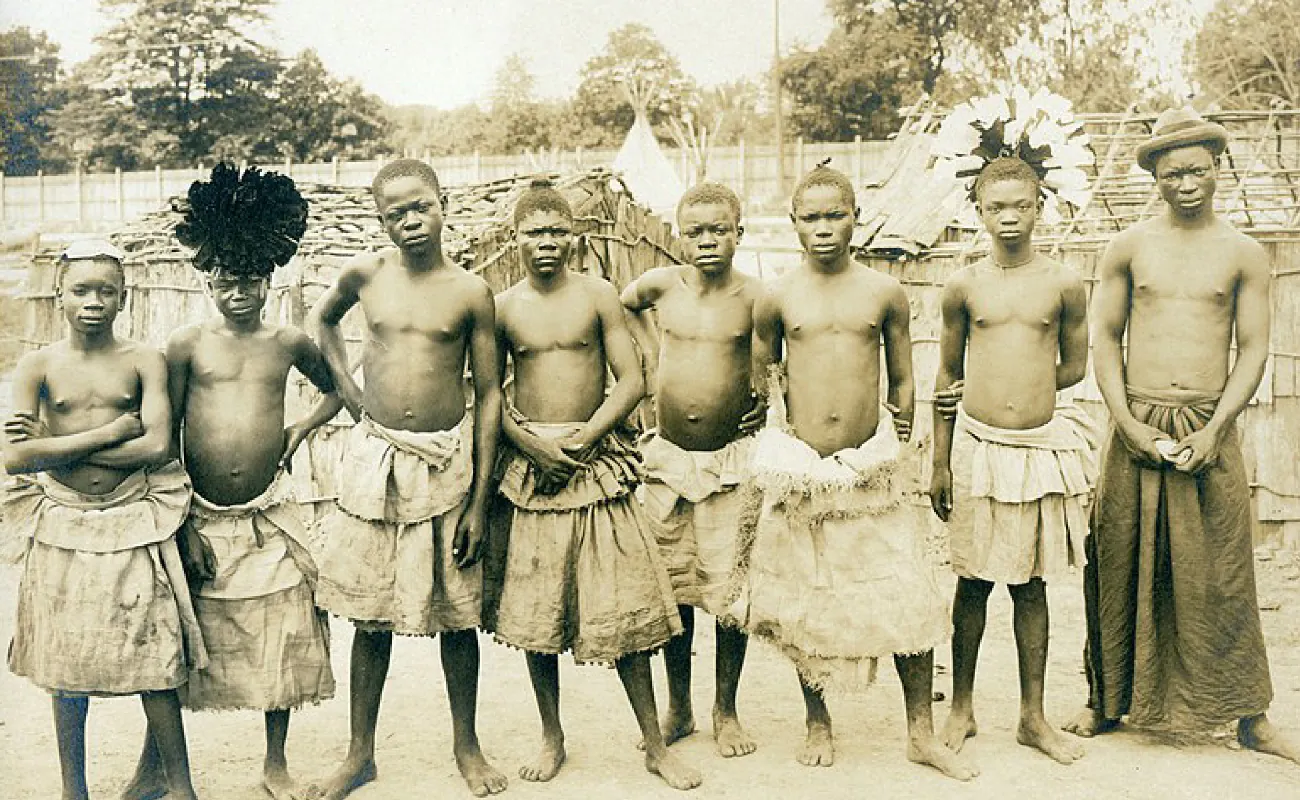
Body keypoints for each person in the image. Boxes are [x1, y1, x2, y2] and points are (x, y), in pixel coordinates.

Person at [1063, 107, 1299, 763]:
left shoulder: (1244, 253)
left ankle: (1251, 716)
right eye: (1172, 175)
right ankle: (1104, 700)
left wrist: (1217, 428)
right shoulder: (1128, 247)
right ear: (1155, 178)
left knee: (1223, 570)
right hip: (1137, 422)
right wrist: (1127, 423)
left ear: (1218, 167)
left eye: (1197, 170)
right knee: (1117, 559)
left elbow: (1254, 349)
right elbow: (1105, 339)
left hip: (1208, 426)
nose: (1186, 184)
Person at [737, 163, 976, 780]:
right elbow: (764, 376)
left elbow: (903, 378)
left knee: (905, 594)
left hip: (872, 466)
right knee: (808, 600)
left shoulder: (883, 292)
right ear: (793, 223)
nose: (823, 229)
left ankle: (920, 732)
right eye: (811, 218)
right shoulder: (777, 297)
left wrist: (900, 438)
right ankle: (817, 720)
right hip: (804, 471)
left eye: (835, 216)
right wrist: (780, 436)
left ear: (856, 219)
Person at [123, 164, 340, 800]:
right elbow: (166, 433)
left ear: (269, 279)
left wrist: (300, 428)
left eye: (249, 279)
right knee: (174, 634)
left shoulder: (288, 341)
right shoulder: (187, 345)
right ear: (207, 279)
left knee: (283, 629)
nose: (237, 292)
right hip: (198, 512)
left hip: (268, 511)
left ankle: (275, 764)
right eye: (225, 280)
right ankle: (157, 767)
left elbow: (336, 391)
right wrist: (179, 518)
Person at [485, 178, 700, 790]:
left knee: (624, 606)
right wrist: (533, 445)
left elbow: (631, 379)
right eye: (535, 232)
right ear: (516, 238)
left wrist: (584, 439)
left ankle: (654, 744)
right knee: (537, 614)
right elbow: (489, 394)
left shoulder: (599, 294)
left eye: (557, 231)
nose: (546, 242)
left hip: (595, 463)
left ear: (574, 236)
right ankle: (551, 736)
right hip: (534, 473)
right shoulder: (503, 307)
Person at [308, 158, 507, 798]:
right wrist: (347, 389)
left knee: (457, 617)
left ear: (442, 204)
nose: (411, 221)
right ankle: (359, 754)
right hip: (378, 465)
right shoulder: (366, 275)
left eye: (421, 207)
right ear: (382, 221)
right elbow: (322, 320)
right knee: (371, 618)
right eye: (396, 214)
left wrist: (478, 502)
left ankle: (467, 746)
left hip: (446, 465)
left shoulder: (471, 292)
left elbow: (491, 394)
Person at [2, 240, 205, 800]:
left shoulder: (143, 360)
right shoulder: (38, 365)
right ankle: (76, 791)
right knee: (65, 661)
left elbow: (157, 446)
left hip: (132, 519)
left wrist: (55, 446)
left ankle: (179, 788)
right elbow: (15, 457)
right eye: (81, 291)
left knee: (155, 653)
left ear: (124, 298)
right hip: (63, 524)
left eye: (106, 292)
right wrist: (112, 432)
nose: (93, 302)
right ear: (59, 295)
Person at [929, 156, 1091, 765]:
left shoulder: (1064, 284)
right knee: (971, 582)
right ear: (979, 211)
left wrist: (1026, 388)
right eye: (996, 207)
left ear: (1039, 208)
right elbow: (948, 375)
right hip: (975, 446)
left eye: (1021, 205)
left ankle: (1032, 717)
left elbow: (1075, 365)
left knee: (1030, 585)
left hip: (1035, 452)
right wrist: (940, 461)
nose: (1009, 217)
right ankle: (961, 708)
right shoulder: (964, 286)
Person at [620, 181, 764, 758]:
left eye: (718, 230)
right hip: (669, 463)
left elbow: (774, 353)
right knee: (675, 588)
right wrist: (652, 354)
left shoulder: (757, 297)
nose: (707, 241)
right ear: (679, 236)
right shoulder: (662, 286)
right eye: (695, 232)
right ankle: (678, 707)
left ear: (738, 233)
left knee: (729, 594)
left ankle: (726, 709)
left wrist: (764, 391)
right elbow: (626, 302)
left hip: (729, 463)